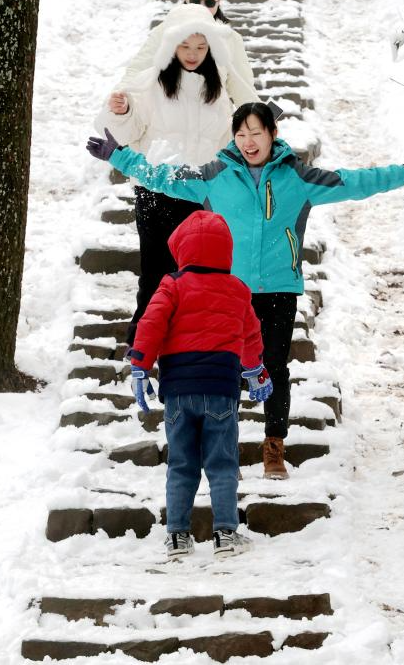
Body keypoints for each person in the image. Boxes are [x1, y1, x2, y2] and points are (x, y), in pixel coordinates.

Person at [87, 102, 404, 480]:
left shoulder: (298, 178)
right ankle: (224, 449)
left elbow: (352, 182)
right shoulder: (214, 175)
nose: (248, 141)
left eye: (256, 133)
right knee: (226, 370)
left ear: (273, 133)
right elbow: (163, 177)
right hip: (228, 289)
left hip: (279, 288)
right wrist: (119, 156)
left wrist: (402, 174)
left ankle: (274, 447)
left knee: (273, 366)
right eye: (241, 134)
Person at [96, 4, 249, 348]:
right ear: (171, 46)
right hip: (157, 189)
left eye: (200, 47)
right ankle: (144, 340)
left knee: (199, 270)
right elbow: (125, 130)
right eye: (185, 46)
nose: (193, 54)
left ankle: (190, 339)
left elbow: (229, 138)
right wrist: (121, 111)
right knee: (155, 270)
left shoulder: (220, 89)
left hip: (202, 193)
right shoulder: (151, 84)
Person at [129, 210, 271, 558]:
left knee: (181, 463)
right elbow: (251, 334)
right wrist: (255, 371)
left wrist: (140, 367)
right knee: (222, 463)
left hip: (178, 390)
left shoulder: (172, 285)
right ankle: (225, 534)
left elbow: (151, 323)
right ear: (226, 250)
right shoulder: (238, 289)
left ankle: (177, 535)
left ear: (182, 248)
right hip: (221, 389)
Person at [117, 0, 258, 109]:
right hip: (167, 125)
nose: (201, 7)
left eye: (210, 1)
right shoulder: (165, 32)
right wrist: (120, 98)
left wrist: (265, 119)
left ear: (219, 2)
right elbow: (137, 70)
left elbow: (245, 90)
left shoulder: (230, 39)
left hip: (214, 129)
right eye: (195, 0)